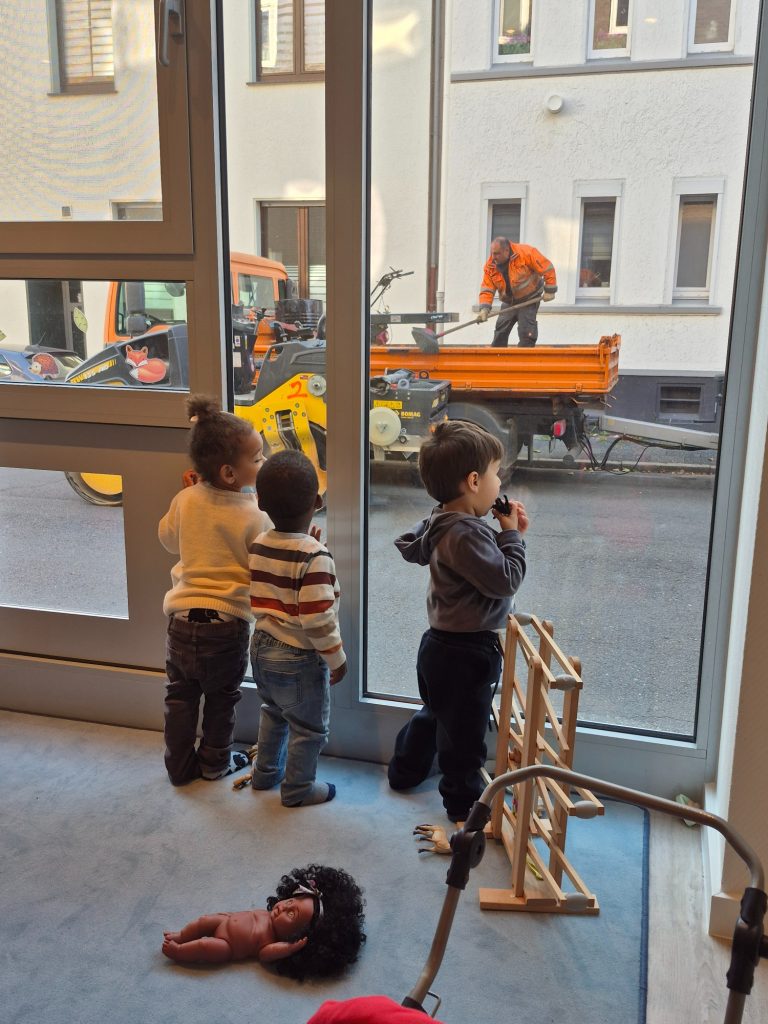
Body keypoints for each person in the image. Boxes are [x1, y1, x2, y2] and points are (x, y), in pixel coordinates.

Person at [387, 420, 528, 822]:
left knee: (437, 714)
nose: (499, 483)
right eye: (496, 473)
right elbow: (505, 580)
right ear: (473, 481)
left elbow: (480, 565)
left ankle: (405, 770)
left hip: (439, 645)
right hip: (468, 651)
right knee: (464, 737)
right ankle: (464, 806)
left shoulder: (443, 520)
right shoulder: (466, 534)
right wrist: (512, 537)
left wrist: (504, 534)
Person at [158, 395, 269, 785]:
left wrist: (184, 499)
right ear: (229, 473)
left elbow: (167, 540)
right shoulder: (254, 515)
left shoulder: (185, 499)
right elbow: (263, 562)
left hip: (181, 622)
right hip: (226, 625)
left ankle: (178, 766)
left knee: (179, 696)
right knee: (222, 699)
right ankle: (214, 763)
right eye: (257, 458)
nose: (263, 462)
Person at [248, 450, 347, 807]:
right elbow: (318, 618)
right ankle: (298, 789)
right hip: (297, 656)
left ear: (261, 503)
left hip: (261, 647)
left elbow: (280, 580)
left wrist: (311, 546)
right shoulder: (315, 556)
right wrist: (336, 659)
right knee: (308, 728)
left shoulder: (259, 544)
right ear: (317, 502)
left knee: (274, 712)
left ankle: (265, 773)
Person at [162, 864, 366, 980]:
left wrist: (290, 948)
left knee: (205, 946)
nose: (283, 907)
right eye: (290, 901)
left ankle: (179, 952)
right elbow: (245, 914)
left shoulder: (270, 942)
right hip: (224, 921)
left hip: (228, 945)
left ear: (295, 935)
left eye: (291, 915)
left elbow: (265, 955)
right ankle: (181, 935)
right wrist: (227, 915)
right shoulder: (267, 914)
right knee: (203, 921)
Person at [478, 236, 557, 348]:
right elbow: (487, 289)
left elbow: (547, 268)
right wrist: (484, 309)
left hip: (529, 298)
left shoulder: (526, 253)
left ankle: (523, 358)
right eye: (492, 253)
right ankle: (498, 356)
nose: (493, 257)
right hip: (509, 301)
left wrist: (550, 289)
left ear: (506, 251)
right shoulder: (490, 266)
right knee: (500, 331)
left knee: (527, 333)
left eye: (497, 254)